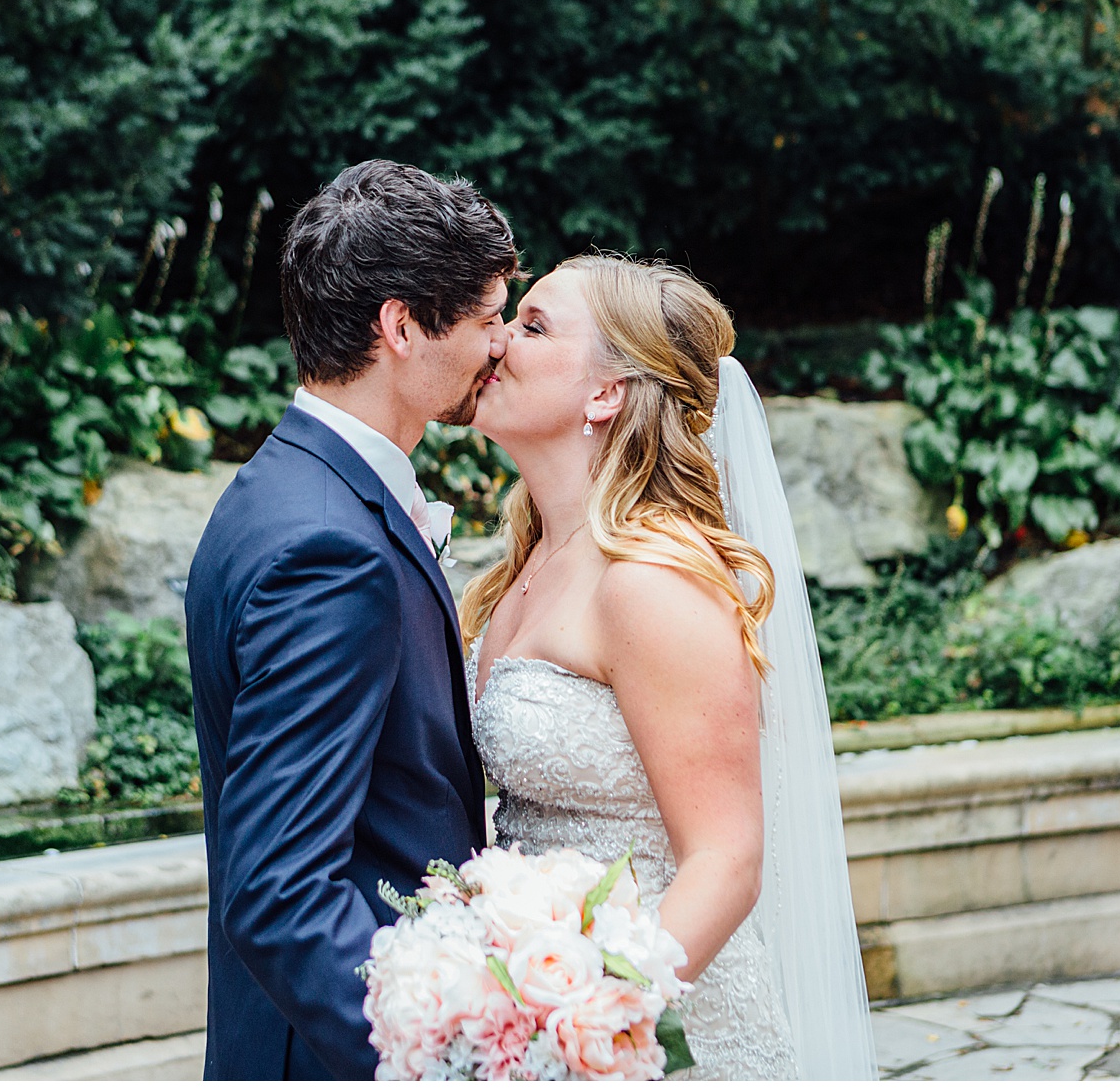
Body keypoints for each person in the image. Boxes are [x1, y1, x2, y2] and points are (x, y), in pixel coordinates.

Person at [466, 252, 876, 1081]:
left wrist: (593, 1018)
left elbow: (726, 862)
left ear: (606, 392)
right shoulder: (522, 570)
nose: (498, 340)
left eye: (534, 325)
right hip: (541, 1011)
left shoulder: (649, 584)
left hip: (662, 1033)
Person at [185, 162, 515, 1079]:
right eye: (489, 318)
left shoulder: (281, 490)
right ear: (402, 326)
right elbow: (281, 891)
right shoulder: (329, 552)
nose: (500, 346)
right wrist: (442, 1060)